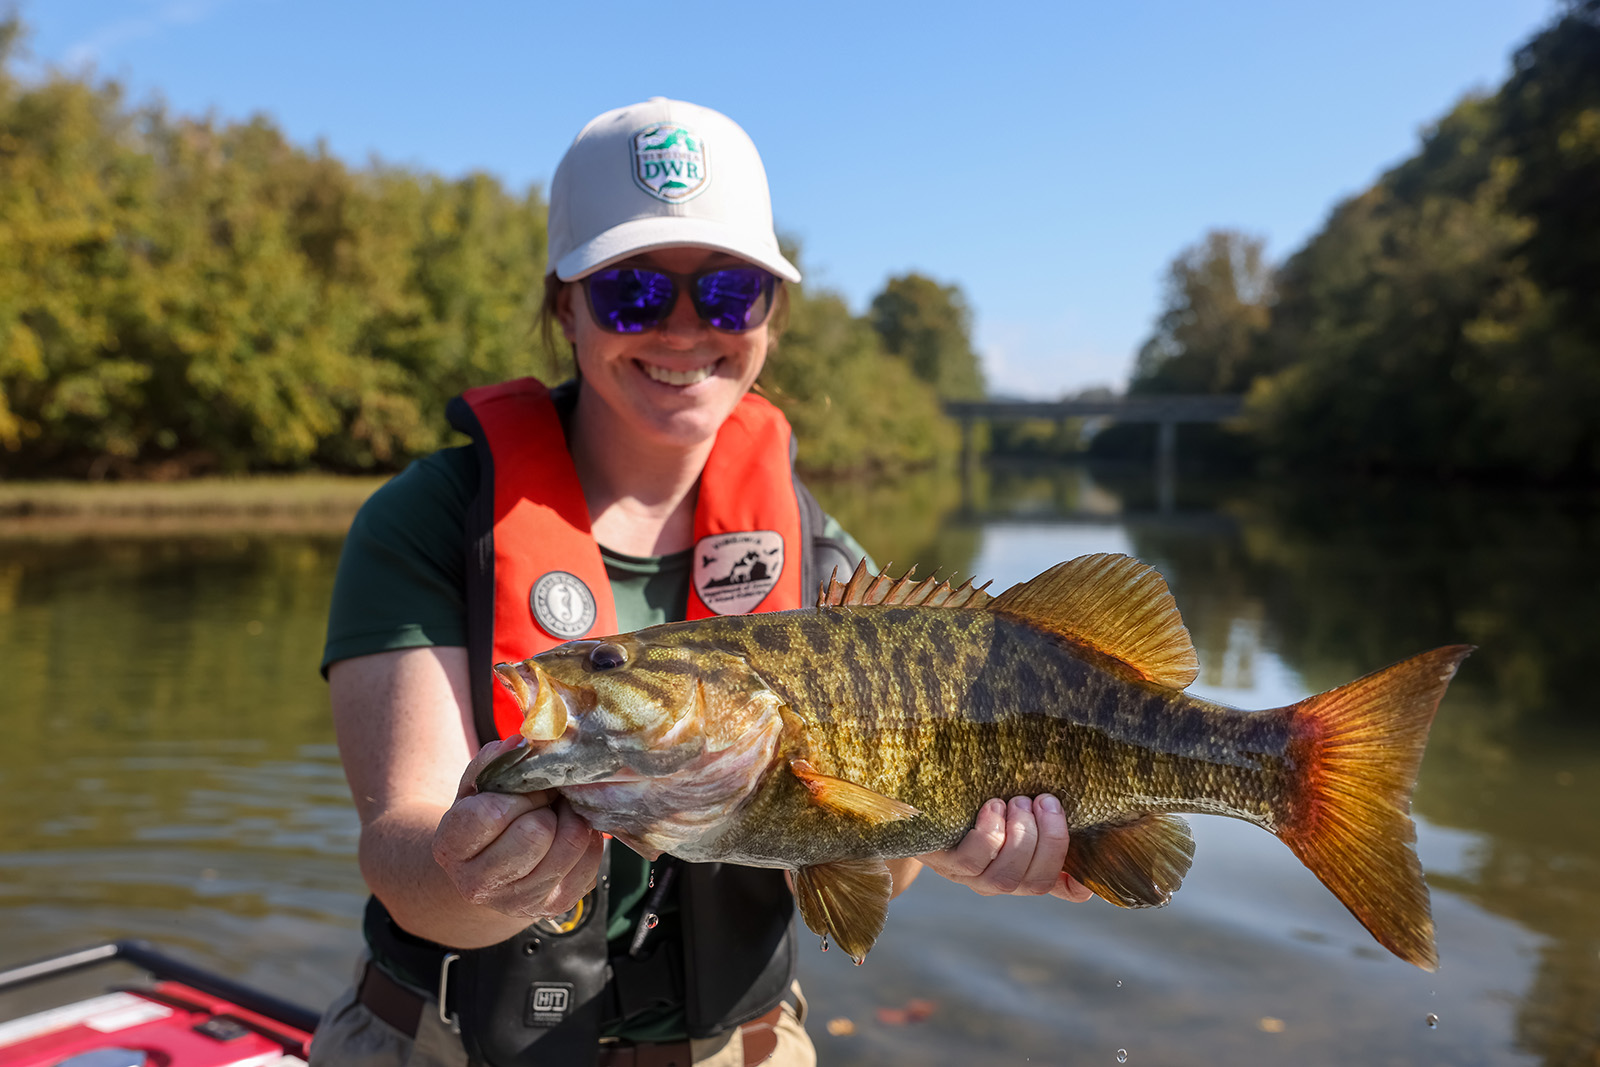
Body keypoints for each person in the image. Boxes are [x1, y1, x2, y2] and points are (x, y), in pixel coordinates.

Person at [313, 97, 1091, 1067]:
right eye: (633, 292)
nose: (685, 330)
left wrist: (949, 845)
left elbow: (871, 866)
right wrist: (467, 868)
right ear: (565, 304)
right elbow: (400, 849)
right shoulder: (429, 523)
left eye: (727, 293)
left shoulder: (824, 563)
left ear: (770, 311)